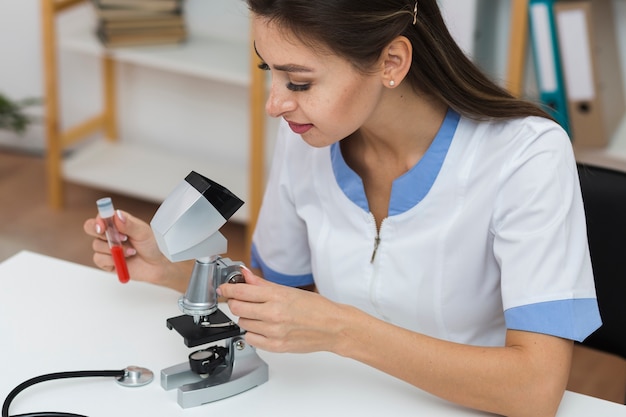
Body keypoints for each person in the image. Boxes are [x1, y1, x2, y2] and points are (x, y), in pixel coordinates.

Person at [84, 1, 602, 416]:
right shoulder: (308, 135)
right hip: (332, 396)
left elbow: (534, 391)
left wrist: (341, 330)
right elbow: (276, 292)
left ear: (391, 62)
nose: (275, 103)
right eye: (270, 71)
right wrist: (178, 271)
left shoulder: (525, 155)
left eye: (299, 82)